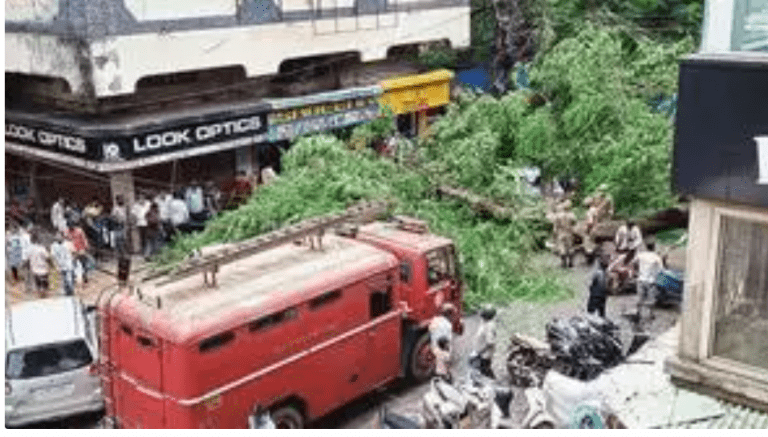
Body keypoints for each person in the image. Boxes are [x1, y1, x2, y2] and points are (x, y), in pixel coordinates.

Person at [632, 242, 664, 329]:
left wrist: (636, 271)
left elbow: (633, 262)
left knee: (640, 298)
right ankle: (650, 315)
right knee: (651, 299)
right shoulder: (656, 257)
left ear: (646, 247)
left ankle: (638, 313)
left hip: (641, 279)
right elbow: (661, 270)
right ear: (654, 247)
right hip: (651, 281)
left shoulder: (641, 255)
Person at [550, 200, 577, 268]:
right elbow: (575, 222)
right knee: (570, 248)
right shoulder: (571, 215)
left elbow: (555, 227)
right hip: (569, 233)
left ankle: (563, 263)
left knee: (562, 248)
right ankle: (571, 262)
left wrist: (554, 236)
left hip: (560, 233)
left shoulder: (558, 216)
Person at [473, 305, 497, 379]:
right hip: (481, 352)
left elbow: (489, 343)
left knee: (484, 370)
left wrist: (479, 352)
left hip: (484, 354)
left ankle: (492, 382)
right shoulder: (485, 323)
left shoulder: (489, 326)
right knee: (483, 370)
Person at [28, 233, 51, 297]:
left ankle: (40, 291)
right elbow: (47, 257)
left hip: (34, 268)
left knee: (37, 281)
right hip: (43, 267)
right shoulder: (42, 248)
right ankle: (44, 291)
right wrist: (51, 264)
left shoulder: (30, 249)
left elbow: (27, 258)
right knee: (44, 280)